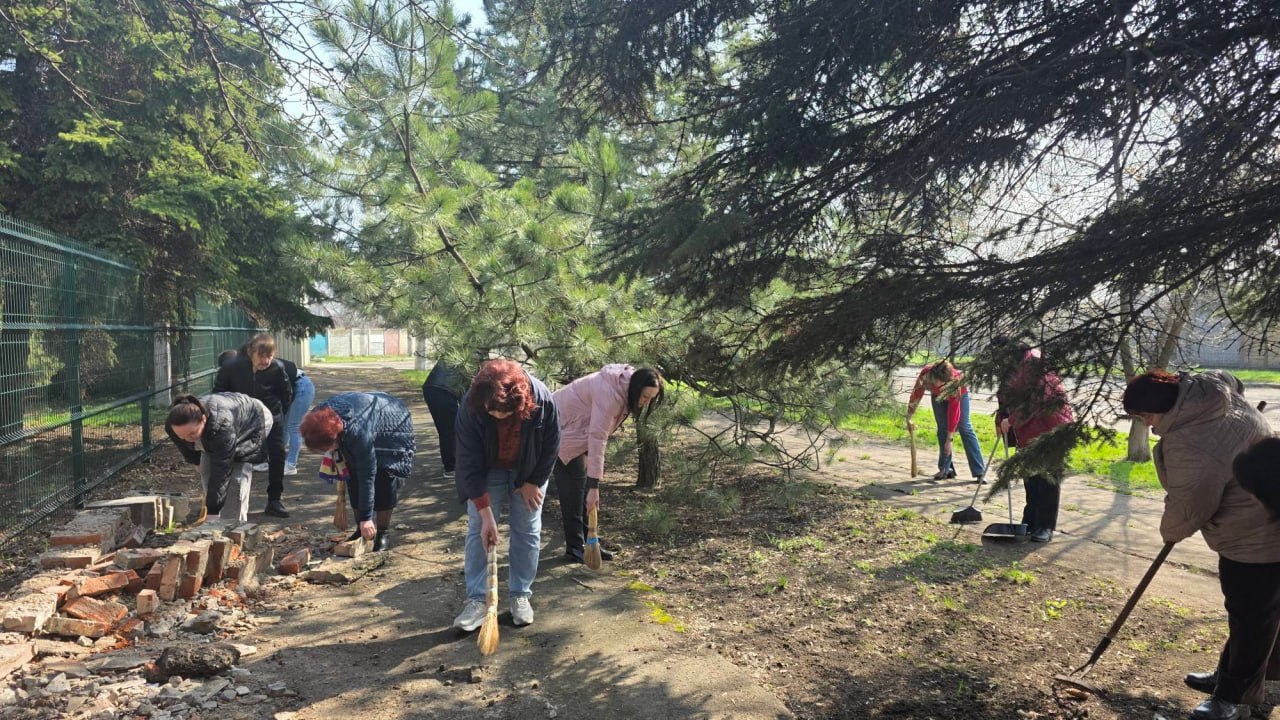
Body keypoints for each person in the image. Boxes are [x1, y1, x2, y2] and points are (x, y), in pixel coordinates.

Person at [1124, 369, 1276, 720]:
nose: (1148, 425)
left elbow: (1190, 506)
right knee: (1251, 613)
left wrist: (1170, 531)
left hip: (1257, 535)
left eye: (1147, 416)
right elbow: (1233, 379)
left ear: (1165, 406)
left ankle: (1231, 699)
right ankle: (1231, 677)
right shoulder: (1210, 390)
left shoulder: (1190, 443)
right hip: (1264, 511)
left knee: (1254, 618)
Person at [451, 359, 559, 632]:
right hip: (488, 470)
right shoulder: (471, 406)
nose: (498, 417)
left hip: (529, 470)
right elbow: (467, 462)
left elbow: (552, 443)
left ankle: (520, 595)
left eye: (506, 414)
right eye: (493, 413)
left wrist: (535, 481)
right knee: (479, 529)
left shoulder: (542, 400)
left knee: (528, 529)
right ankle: (478, 600)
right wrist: (486, 512)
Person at [552, 365, 664, 563]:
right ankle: (575, 547)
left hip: (576, 431)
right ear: (637, 387)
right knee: (576, 490)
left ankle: (591, 543)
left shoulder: (623, 387)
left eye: (651, 399)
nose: (646, 403)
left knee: (583, 489)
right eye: (645, 396)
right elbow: (597, 437)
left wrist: (592, 482)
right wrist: (594, 486)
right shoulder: (610, 395)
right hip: (557, 429)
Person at [299, 392, 415, 551]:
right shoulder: (317, 418)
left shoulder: (357, 432)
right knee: (351, 476)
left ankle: (382, 533)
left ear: (335, 437)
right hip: (360, 417)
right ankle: (361, 530)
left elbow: (367, 476)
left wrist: (367, 518)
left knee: (383, 478)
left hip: (390, 424)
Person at [991, 336, 1074, 543]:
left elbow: (1039, 400)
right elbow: (1005, 396)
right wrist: (1001, 418)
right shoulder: (1014, 367)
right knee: (1030, 476)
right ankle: (1030, 521)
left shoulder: (1036, 365)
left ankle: (1045, 526)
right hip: (1027, 428)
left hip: (1050, 427)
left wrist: (1013, 419)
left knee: (1046, 478)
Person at [214, 334, 293, 517]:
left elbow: (286, 394)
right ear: (251, 353)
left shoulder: (278, 368)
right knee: (237, 457)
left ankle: (274, 500)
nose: (265, 361)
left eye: (270, 356)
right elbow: (219, 393)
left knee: (278, 455)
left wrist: (277, 413)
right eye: (261, 356)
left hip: (272, 416)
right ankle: (229, 501)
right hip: (242, 419)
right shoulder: (231, 368)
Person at [165, 393, 272, 523]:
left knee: (235, 478)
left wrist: (213, 511)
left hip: (253, 421)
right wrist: (195, 461)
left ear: (203, 419)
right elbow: (186, 448)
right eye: (182, 435)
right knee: (206, 470)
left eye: (192, 433)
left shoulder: (222, 428)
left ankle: (233, 525)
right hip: (218, 427)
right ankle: (214, 517)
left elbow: (222, 472)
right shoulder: (174, 425)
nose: (187, 438)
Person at [906, 359, 984, 482]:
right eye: (935, 383)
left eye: (940, 384)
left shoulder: (955, 380)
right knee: (942, 428)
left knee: (964, 427)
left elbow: (954, 412)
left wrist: (950, 439)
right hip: (938, 398)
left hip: (959, 396)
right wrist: (909, 414)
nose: (936, 386)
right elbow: (917, 393)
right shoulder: (926, 373)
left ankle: (979, 471)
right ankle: (946, 470)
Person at [421, 360, 467, 480]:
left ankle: (452, 465)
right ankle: (451, 467)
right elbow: (466, 390)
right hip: (442, 390)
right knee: (449, 430)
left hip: (434, 388)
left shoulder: (459, 350)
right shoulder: (471, 356)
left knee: (448, 429)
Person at [278, 357, 315, 476]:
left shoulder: (273, 366)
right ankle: (277, 460)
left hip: (302, 387)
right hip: (296, 387)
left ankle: (291, 464)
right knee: (284, 425)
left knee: (293, 426)